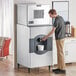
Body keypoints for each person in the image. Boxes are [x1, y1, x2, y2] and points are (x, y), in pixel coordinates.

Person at [41, 9, 66, 74]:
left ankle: (62, 69)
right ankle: (59, 68)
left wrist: (45, 37)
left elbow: (52, 31)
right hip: (62, 37)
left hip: (59, 38)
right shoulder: (61, 17)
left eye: (50, 15)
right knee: (59, 53)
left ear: (52, 14)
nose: (50, 16)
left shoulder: (56, 20)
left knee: (60, 53)